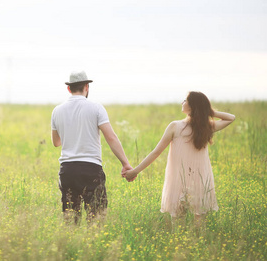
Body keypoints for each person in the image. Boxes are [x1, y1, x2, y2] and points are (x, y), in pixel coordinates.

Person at [123, 91, 235, 222]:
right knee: (197, 222)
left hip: (187, 180)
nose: (182, 103)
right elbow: (230, 118)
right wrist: (207, 111)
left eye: (185, 100)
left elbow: (156, 152)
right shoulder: (195, 126)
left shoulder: (188, 126)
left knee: (181, 222)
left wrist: (207, 111)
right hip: (188, 179)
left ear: (193, 106)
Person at [51, 70, 135, 224]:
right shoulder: (96, 108)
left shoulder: (57, 110)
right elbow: (111, 137)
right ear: (86, 87)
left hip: (67, 170)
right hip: (90, 169)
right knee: (96, 220)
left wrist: (71, 132)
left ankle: (71, 246)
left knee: (71, 221)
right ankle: (93, 246)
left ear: (69, 89)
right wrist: (125, 164)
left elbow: (56, 142)